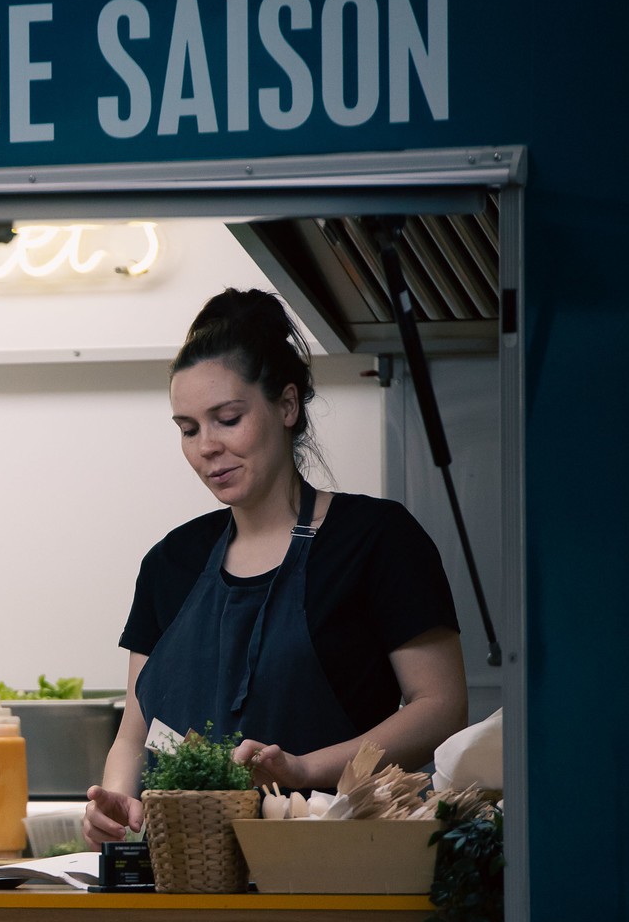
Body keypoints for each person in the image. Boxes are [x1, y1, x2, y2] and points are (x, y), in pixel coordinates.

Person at [83, 289, 470, 843]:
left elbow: (441, 707)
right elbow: (133, 732)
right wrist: (117, 801)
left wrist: (307, 770)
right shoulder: (171, 562)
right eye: (188, 429)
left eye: (228, 419)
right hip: (178, 868)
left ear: (286, 406)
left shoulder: (376, 539)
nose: (207, 447)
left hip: (327, 864)